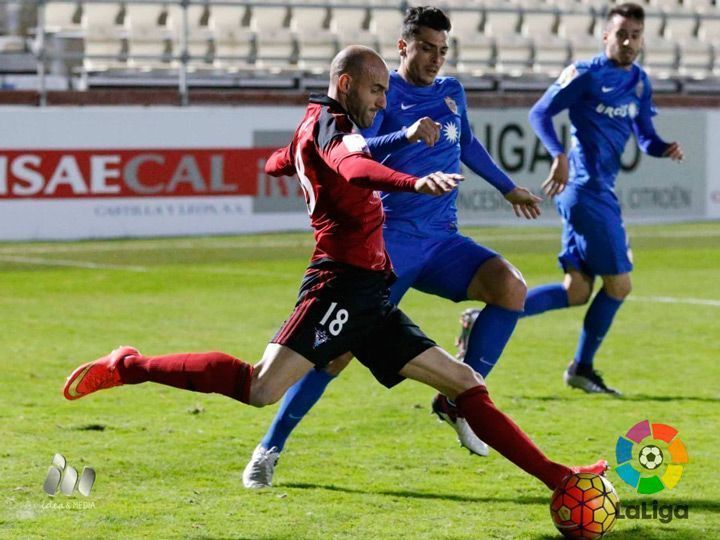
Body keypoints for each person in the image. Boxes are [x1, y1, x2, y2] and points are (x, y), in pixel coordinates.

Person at [63, 46, 606, 495]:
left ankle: (562, 480)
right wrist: (412, 182)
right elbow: (354, 162)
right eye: (376, 91)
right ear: (345, 84)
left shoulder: (315, 123)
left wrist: (291, 160)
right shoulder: (333, 126)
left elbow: (302, 156)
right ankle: (132, 366)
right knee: (260, 387)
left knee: (465, 384)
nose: (383, 100)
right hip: (338, 286)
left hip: (373, 290)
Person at [242, 6, 544, 488]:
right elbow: (353, 154)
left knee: (510, 287)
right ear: (403, 47)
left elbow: (465, 141)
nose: (435, 59)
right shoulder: (376, 94)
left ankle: (454, 400)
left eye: (443, 50)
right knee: (333, 355)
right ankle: (269, 448)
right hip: (388, 244)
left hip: (443, 241)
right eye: (426, 48)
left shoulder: (451, 92)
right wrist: (403, 136)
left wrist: (507, 187)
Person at [460, 3, 684, 395]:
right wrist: (559, 154)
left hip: (599, 191)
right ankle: (582, 367)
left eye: (635, 35)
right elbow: (540, 114)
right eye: (621, 34)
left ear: (642, 39)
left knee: (576, 290)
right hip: (584, 191)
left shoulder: (639, 82)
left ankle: (482, 319)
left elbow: (645, 134)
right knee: (619, 286)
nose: (628, 42)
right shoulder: (585, 74)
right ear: (605, 36)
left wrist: (664, 147)